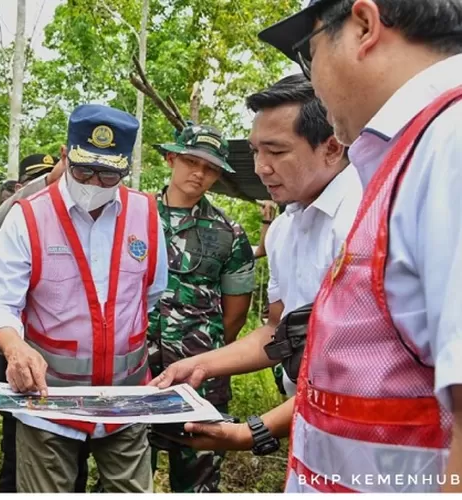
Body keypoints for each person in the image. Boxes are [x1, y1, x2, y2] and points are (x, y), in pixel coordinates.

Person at [252, 0, 462, 493]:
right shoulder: (412, 153)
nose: (314, 80)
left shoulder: (450, 144)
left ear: (364, 25)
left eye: (310, 53)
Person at [151, 74, 361, 459]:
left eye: (276, 152)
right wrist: (200, 363)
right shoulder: (284, 229)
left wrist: (254, 432)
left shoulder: (363, 219)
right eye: (255, 151)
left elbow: (358, 367)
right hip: (310, 427)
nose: (262, 167)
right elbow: (276, 331)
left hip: (378, 438)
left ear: (331, 147)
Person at [0, 104, 169, 493]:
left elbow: (149, 296)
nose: (94, 183)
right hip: (48, 405)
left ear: (125, 170)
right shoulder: (28, 217)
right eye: (83, 170)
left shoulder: (146, 215)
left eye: (108, 174)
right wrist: (14, 348)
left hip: (126, 400)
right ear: (66, 155)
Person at [148, 124, 256, 492]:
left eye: (209, 168)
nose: (199, 173)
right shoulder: (134, 215)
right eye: (191, 161)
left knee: (197, 482)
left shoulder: (229, 233)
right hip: (135, 372)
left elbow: (237, 313)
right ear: (171, 158)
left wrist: (200, 354)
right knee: (125, 476)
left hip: (199, 379)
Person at [0, 153, 91, 494]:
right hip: (17, 349)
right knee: (19, 450)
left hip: (68, 368)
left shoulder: (78, 217)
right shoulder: (17, 216)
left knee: (73, 456)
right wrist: (46, 182)